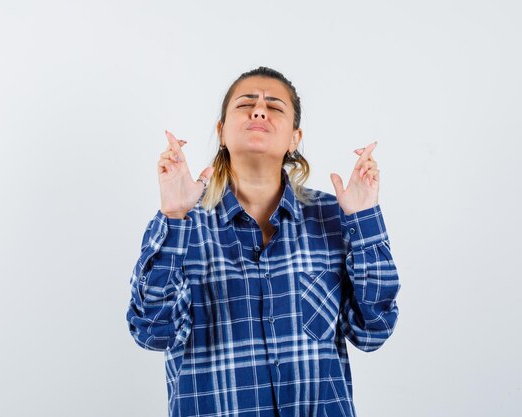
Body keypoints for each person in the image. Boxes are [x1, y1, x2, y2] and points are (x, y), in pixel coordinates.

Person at [125, 66, 401, 417]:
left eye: (275, 106)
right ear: (221, 132)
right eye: (246, 104)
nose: (259, 110)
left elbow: (373, 331)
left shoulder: (333, 217)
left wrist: (363, 220)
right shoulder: (181, 225)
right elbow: (151, 332)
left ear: (294, 139)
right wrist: (174, 215)